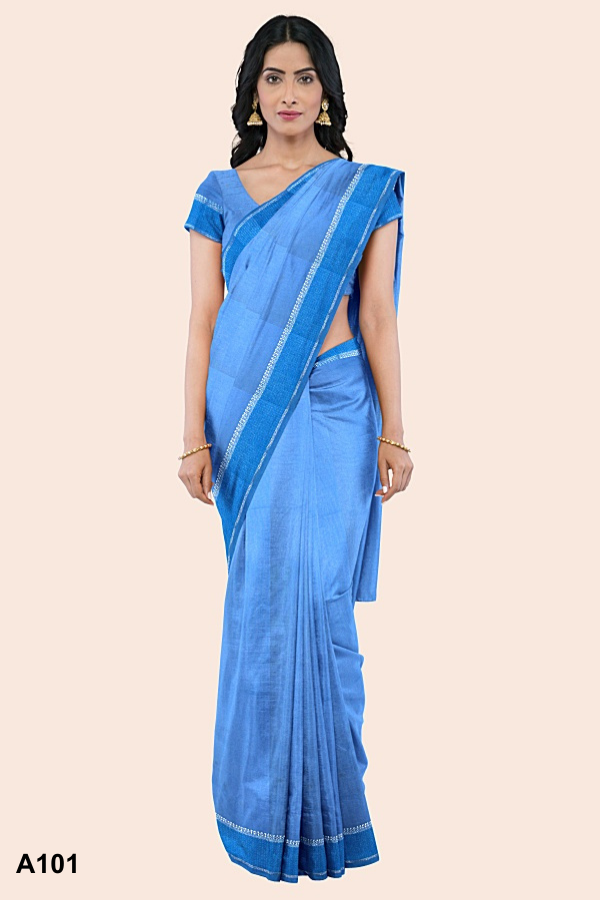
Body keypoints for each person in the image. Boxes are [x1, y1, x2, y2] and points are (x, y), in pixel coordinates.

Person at [178, 14, 413, 884]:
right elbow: (203, 322)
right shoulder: (219, 193)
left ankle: (330, 811)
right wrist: (191, 437)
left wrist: (396, 429)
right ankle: (258, 811)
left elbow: (378, 316)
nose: (288, 93)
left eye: (304, 77)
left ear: (327, 91)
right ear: (252, 93)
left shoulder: (363, 191)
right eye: (273, 77)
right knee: (262, 601)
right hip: (248, 413)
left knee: (321, 598)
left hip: (342, 408)